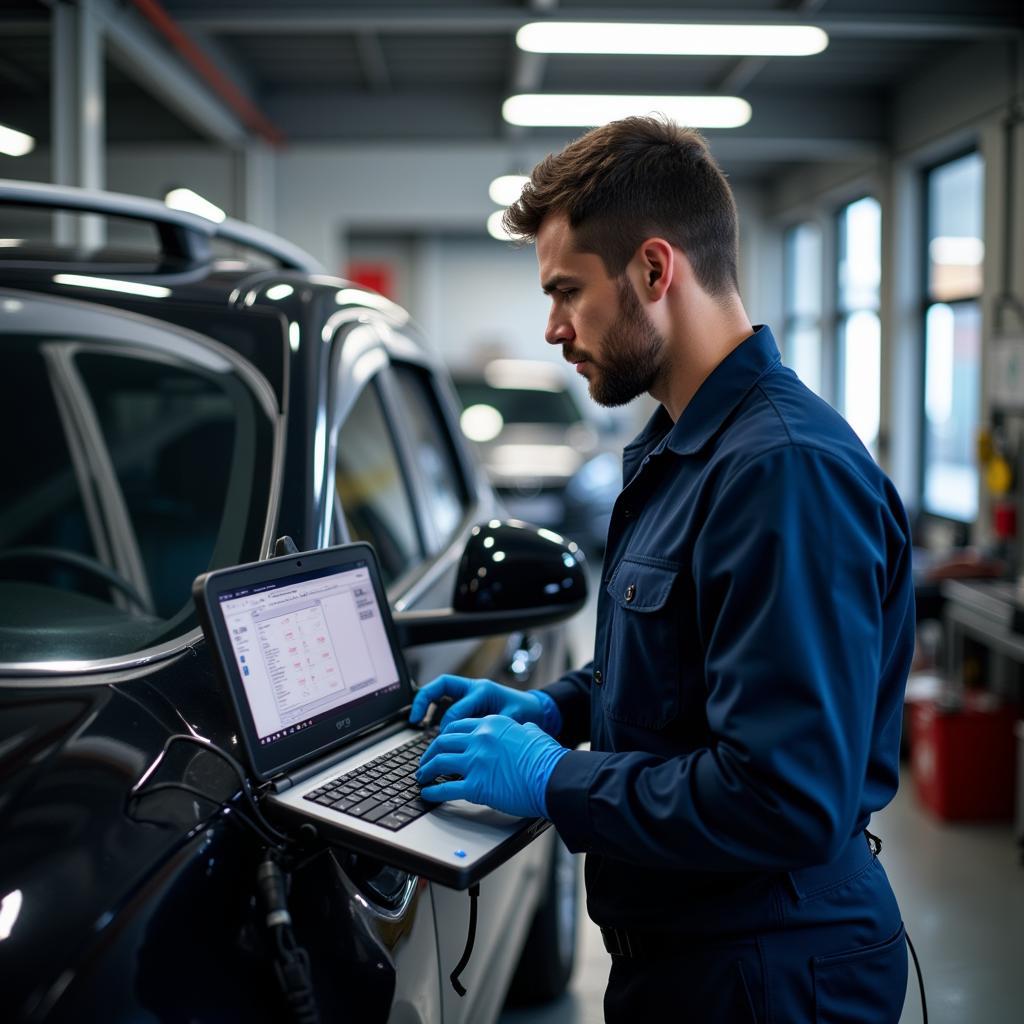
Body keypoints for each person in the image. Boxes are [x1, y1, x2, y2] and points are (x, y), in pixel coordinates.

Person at [412, 116, 913, 1021]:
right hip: (692, 957)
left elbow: (782, 796)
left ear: (653, 269)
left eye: (568, 291)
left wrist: (553, 776)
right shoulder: (682, 448)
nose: (555, 328)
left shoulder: (781, 472)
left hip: (769, 976)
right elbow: (692, 656)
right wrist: (555, 708)